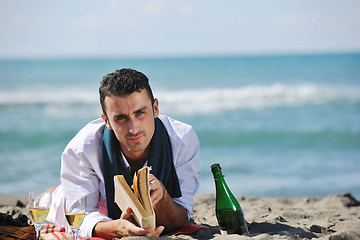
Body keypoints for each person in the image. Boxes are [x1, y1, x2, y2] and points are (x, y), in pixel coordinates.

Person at [47, 68, 200, 239]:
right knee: (54, 200)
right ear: (106, 121)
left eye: (140, 113)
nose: (133, 129)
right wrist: (118, 228)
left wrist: (163, 198)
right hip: (96, 201)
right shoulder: (82, 149)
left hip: (104, 198)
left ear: (155, 108)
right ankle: (52, 192)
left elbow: (182, 214)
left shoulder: (182, 139)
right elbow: (78, 219)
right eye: (121, 118)